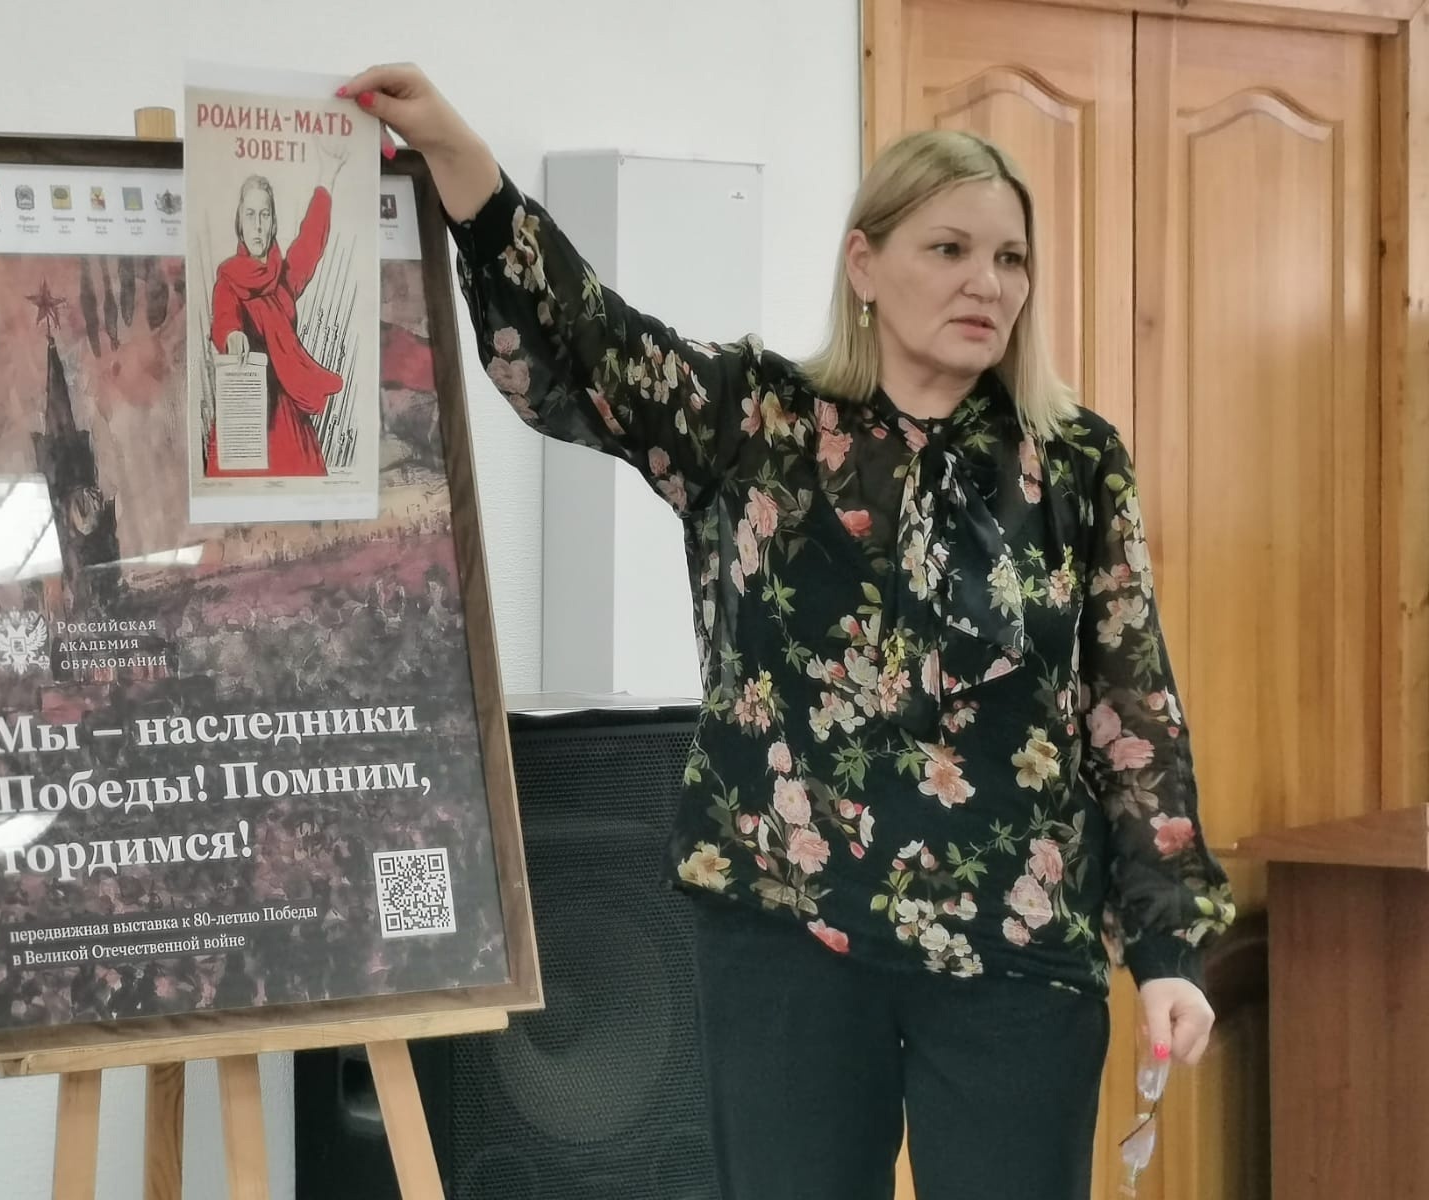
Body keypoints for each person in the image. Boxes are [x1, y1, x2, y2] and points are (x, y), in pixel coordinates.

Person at [337, 63, 1237, 1200]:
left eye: (1011, 258)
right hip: (788, 934)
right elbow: (586, 343)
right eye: (949, 249)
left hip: (1015, 950)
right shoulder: (757, 423)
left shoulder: (1074, 461)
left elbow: (1132, 708)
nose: (988, 282)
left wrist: (1167, 949)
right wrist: (459, 158)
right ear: (864, 263)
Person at [207, 142, 348, 478]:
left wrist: (327, 177)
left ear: (273, 224)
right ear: (240, 223)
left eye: (265, 215)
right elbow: (224, 318)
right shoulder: (228, 279)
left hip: (287, 416)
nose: (257, 225)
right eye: (250, 215)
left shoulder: (283, 280)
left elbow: (309, 245)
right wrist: (232, 336)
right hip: (246, 412)